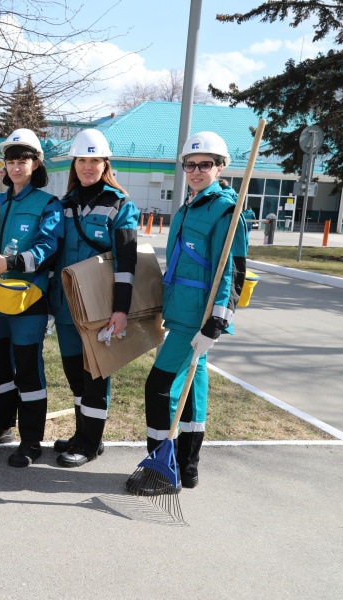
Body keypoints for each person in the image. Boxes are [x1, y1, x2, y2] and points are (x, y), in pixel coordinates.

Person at [133, 131, 248, 493]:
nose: (196, 170)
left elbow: (232, 271)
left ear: (220, 167)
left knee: (159, 387)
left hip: (197, 320)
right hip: (180, 314)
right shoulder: (188, 207)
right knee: (194, 393)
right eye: (191, 164)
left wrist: (215, 324)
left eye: (205, 164)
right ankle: (187, 467)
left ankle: (160, 468)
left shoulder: (226, 211)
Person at [0, 128, 63, 467]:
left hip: (28, 302)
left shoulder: (48, 205)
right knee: (0, 367)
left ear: (36, 164)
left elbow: (48, 249)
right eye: (11, 161)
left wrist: (8, 262)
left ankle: (31, 440)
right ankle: (1, 426)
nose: (16, 167)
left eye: (23, 160)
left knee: (27, 368)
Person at [48, 129, 139, 468]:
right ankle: (84, 434)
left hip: (100, 309)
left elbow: (127, 262)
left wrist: (121, 309)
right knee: (75, 375)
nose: (88, 166)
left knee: (96, 376)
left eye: (95, 160)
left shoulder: (121, 205)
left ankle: (89, 443)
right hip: (65, 306)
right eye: (82, 160)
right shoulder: (64, 204)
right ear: (75, 164)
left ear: (105, 163)